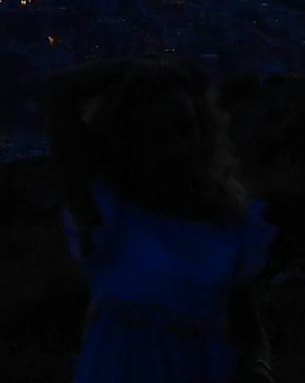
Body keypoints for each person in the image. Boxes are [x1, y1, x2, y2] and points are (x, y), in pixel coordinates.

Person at [44, 58, 270, 383]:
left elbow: (250, 332)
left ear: (202, 132)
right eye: (159, 133)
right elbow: (60, 96)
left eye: (185, 129)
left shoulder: (227, 227)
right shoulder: (110, 217)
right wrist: (138, 66)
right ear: (131, 144)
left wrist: (257, 370)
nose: (177, 147)